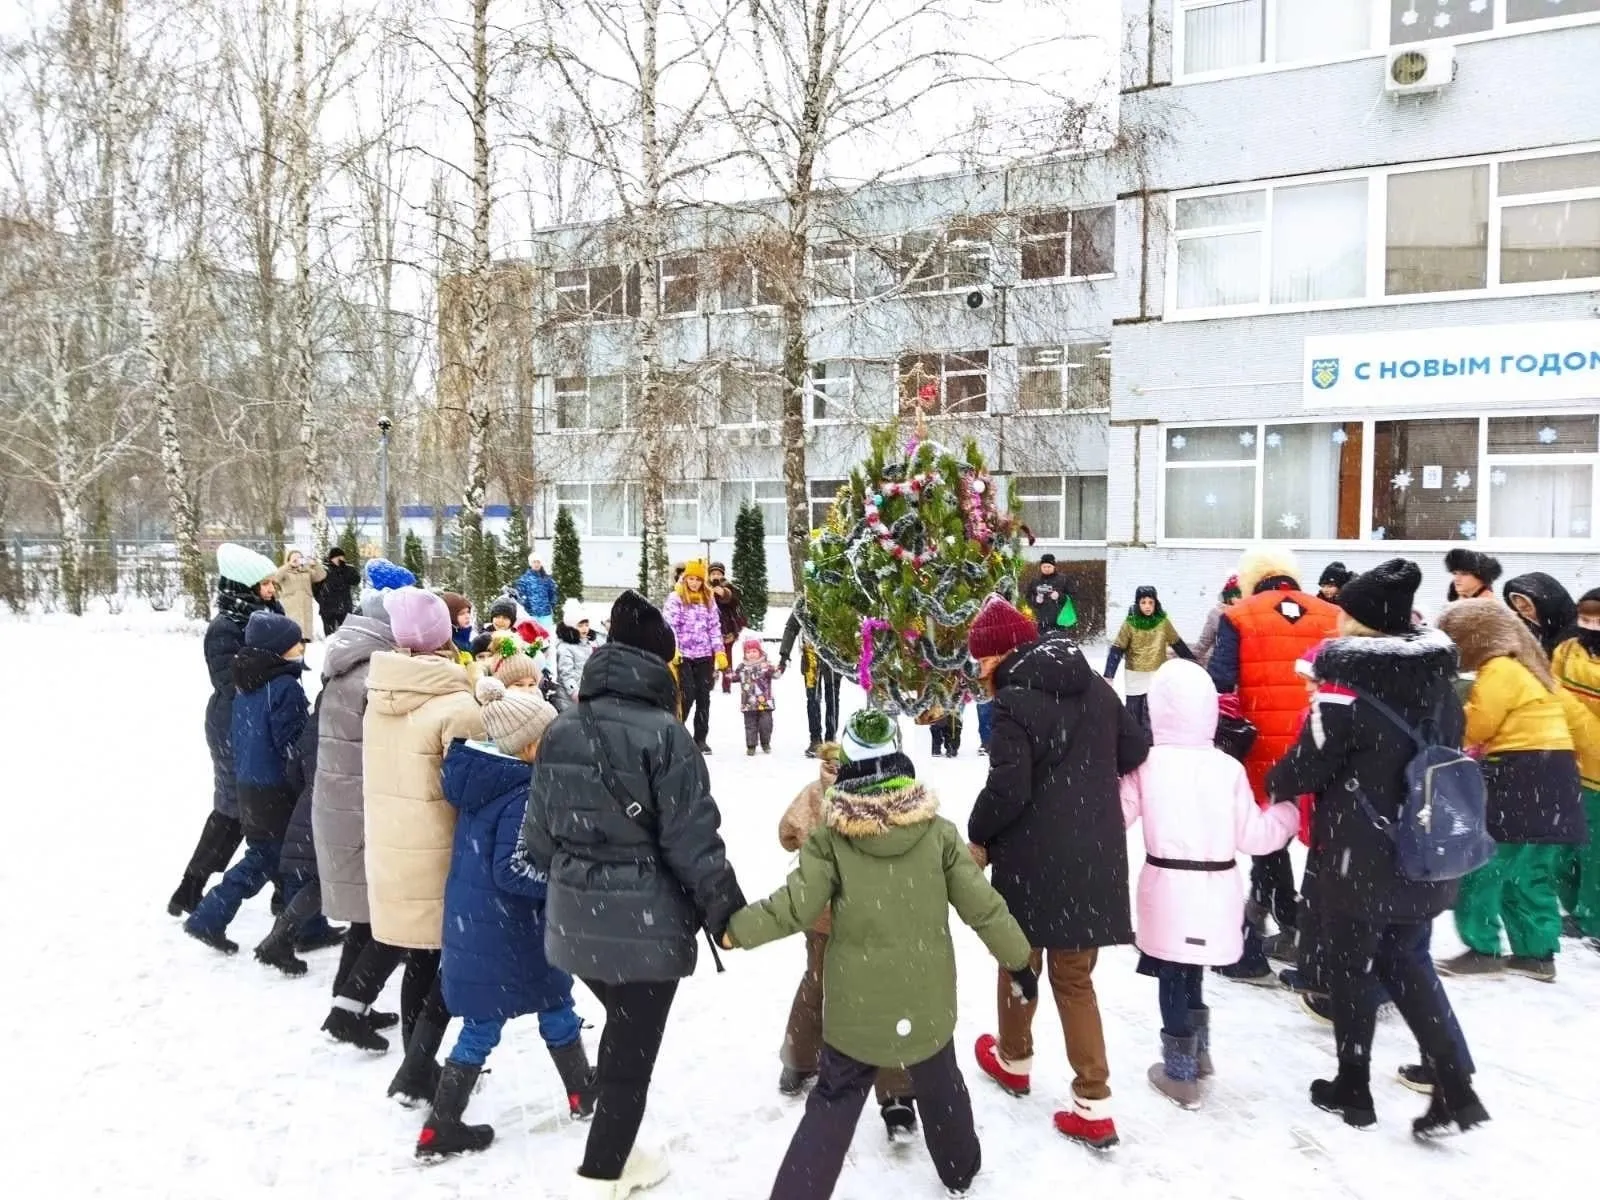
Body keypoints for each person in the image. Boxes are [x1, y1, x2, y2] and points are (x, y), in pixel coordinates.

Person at [724, 709, 1035, 1200]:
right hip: (926, 1001)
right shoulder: (937, 833)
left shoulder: (832, 839)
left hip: (857, 1009)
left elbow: (793, 908)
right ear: (900, 761)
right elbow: (985, 907)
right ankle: (960, 1168)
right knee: (940, 1081)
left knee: (834, 1099)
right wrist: (1019, 961)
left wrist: (735, 930)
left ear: (845, 767)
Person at [523, 589, 746, 1199]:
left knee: (623, 1030)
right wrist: (726, 907)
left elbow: (537, 837)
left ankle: (616, 1151)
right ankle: (603, 1173)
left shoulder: (562, 727)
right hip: (646, 921)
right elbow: (692, 838)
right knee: (630, 1053)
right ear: (658, 663)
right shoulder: (666, 735)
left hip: (573, 918)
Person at [1267, 559, 1486, 1138]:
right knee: (1410, 964)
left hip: (1357, 858)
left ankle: (1353, 1086)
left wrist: (1271, 781)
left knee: (1350, 968)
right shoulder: (1440, 688)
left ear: (1361, 625)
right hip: (1421, 849)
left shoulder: (1342, 697)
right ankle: (1456, 1085)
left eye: (1344, 612)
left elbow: (1302, 771)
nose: (1335, 619)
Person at [965, 595, 1149, 1150]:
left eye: (980, 663)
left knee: (1018, 962)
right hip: (1092, 854)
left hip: (1030, 858)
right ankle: (1094, 1101)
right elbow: (1135, 747)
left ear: (1000, 656)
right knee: (1075, 978)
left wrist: (977, 833)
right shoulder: (1095, 684)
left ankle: (1014, 1059)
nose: (978, 674)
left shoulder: (1014, 705)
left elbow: (1008, 790)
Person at [417, 677, 594, 1160]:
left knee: (550, 1001)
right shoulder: (521, 791)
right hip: (509, 926)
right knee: (497, 1018)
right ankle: (441, 1125)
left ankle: (580, 1090)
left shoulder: (490, 778)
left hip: (486, 924)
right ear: (530, 746)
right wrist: (564, 882)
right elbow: (513, 869)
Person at [1119, 660, 1300, 1108]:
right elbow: (1254, 836)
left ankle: (1179, 1074)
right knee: (1193, 969)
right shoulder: (1227, 769)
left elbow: (1114, 816)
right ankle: (1198, 1055)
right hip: (1216, 887)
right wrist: (1287, 814)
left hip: (1167, 885)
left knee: (1172, 974)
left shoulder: (1147, 765)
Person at [364, 587, 487, 1105]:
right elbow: (474, 787)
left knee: (422, 960)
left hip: (395, 847)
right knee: (457, 966)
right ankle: (418, 1068)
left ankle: (416, 1062)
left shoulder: (382, 693)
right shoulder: (456, 705)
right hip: (442, 853)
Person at [1435, 598, 1588, 982]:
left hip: (1518, 771)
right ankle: (1537, 953)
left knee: (1483, 865)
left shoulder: (1500, 669)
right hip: (1553, 772)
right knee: (1529, 870)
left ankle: (1482, 946)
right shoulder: (1529, 669)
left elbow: (1477, 726)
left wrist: (1446, 717)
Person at [1206, 549, 1340, 984]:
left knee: (1270, 840)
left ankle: (1279, 922)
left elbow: (1221, 682)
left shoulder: (1239, 616)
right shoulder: (1331, 614)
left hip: (1262, 746)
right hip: (1319, 744)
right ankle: (1300, 925)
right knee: (1321, 841)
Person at [772, 742, 918, 1139]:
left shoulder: (814, 793)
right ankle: (897, 1095)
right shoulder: (890, 792)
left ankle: (799, 1061)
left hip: (822, 913)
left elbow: (787, 833)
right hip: (876, 912)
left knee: (817, 982)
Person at [167, 543, 283, 919]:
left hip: (260, 721)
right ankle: (191, 886)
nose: (272, 590)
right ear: (244, 586)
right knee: (237, 809)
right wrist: (278, 668)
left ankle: (286, 895)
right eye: (265, 584)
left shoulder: (268, 614)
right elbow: (230, 680)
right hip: (234, 724)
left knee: (273, 806)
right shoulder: (225, 628)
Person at [184, 611, 309, 953]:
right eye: (295, 642)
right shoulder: (284, 687)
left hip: (251, 785)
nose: (302, 646)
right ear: (278, 650)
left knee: (284, 857)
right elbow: (290, 746)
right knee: (270, 859)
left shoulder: (247, 683)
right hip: (275, 790)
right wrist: (301, 778)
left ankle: (310, 926)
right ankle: (209, 916)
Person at [313, 589, 403, 1052]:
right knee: (390, 923)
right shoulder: (372, 674)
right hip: (363, 806)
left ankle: (347, 1005)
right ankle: (348, 1009)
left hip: (341, 801)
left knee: (368, 918)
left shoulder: (345, 663)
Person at [1553, 589, 1600, 951]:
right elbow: (1552, 692)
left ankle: (1594, 919)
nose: (1590, 626)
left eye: (1597, 620)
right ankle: (1575, 910)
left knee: (1594, 853)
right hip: (1569, 763)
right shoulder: (1567, 650)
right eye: (1585, 619)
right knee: (1565, 848)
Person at [1104, 586, 1194, 734]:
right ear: (1137, 604)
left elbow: (1177, 643)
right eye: (1143, 602)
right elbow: (1117, 648)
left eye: (1150, 602)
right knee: (1134, 712)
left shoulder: (1163, 622)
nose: (1147, 606)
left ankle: (1151, 744)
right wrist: (1109, 673)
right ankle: (1133, 741)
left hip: (1156, 673)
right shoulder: (1130, 623)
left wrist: (1192, 662)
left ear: (1155, 603)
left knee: (1153, 711)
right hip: (1135, 675)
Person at [662, 559, 722, 753]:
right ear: (685, 578)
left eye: (697, 579)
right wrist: (674, 649)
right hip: (684, 656)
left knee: (704, 697)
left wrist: (719, 651)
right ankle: (678, 731)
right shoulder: (676, 598)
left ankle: (700, 739)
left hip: (704, 655)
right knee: (686, 694)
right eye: (691, 578)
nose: (694, 583)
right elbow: (670, 625)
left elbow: (714, 627)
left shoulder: (708, 598)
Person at [779, 599, 841, 756]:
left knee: (832, 698)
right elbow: (791, 628)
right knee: (813, 699)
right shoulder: (804, 602)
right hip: (810, 658)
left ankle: (830, 739)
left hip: (833, 656)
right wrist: (784, 654)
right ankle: (815, 739)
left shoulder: (835, 596)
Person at [1502, 571, 1578, 658]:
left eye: (1527, 607)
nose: (1524, 614)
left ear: (1547, 604)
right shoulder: (1531, 633)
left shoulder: (1581, 635)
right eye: (1520, 610)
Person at [273, 549, 326, 646]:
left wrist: (315, 564)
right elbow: (276, 577)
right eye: (294, 558)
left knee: (305, 639)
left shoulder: (306, 571)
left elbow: (321, 576)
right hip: (292, 608)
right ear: (288, 559)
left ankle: (303, 654)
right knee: (293, 637)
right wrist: (289, 565)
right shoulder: (285, 571)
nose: (297, 560)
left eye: (299, 558)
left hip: (306, 609)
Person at [709, 562, 746, 693]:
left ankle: (727, 684)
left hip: (726, 628)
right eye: (713, 574)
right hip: (710, 628)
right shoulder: (705, 588)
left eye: (718, 573)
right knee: (710, 657)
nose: (715, 576)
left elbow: (734, 601)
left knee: (727, 658)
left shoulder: (729, 587)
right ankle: (710, 683)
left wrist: (723, 593)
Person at [736, 636, 776, 755]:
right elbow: (734, 677)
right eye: (748, 652)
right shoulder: (742, 667)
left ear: (760, 652)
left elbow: (776, 674)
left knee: (766, 724)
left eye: (754, 651)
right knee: (750, 725)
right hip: (748, 702)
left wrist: (775, 669)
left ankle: (765, 743)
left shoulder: (766, 665)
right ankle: (751, 745)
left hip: (765, 701)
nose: (751, 654)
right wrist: (727, 674)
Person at [555, 598, 601, 699]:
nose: (585, 629)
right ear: (571, 627)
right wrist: (574, 693)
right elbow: (566, 674)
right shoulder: (565, 648)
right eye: (580, 626)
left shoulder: (591, 643)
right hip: (570, 696)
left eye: (587, 625)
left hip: (588, 691)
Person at [1192, 575, 1241, 669]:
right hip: (1237, 667)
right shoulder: (1217, 614)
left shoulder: (1215, 614)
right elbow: (1204, 642)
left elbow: (1204, 643)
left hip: (1222, 666)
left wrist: (1189, 659)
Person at [315, 547, 362, 635]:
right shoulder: (324, 570)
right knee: (330, 636)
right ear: (332, 558)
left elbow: (356, 580)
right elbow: (315, 588)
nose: (341, 559)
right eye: (338, 557)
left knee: (346, 635)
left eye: (342, 557)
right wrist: (322, 600)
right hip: (328, 609)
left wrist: (345, 569)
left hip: (344, 607)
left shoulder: (347, 569)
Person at [1026, 554, 1071, 633]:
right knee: (1043, 643)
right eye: (1044, 567)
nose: (1046, 569)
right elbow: (1028, 598)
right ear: (1041, 567)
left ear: (1054, 566)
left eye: (1049, 567)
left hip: (1060, 620)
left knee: (1059, 643)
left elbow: (1072, 597)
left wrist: (1059, 596)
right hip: (1041, 622)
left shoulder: (1063, 579)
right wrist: (1036, 600)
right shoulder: (1035, 581)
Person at [515, 553, 558, 627]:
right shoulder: (524, 579)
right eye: (534, 562)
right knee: (532, 637)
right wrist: (526, 606)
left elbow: (552, 594)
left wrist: (551, 605)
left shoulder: (547, 579)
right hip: (531, 615)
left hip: (545, 615)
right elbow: (519, 596)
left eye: (538, 562)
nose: (536, 564)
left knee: (546, 636)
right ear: (530, 564)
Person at [445, 592, 475, 657]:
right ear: (450, 616)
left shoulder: (469, 637)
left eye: (468, 612)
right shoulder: (448, 644)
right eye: (462, 613)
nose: (467, 616)